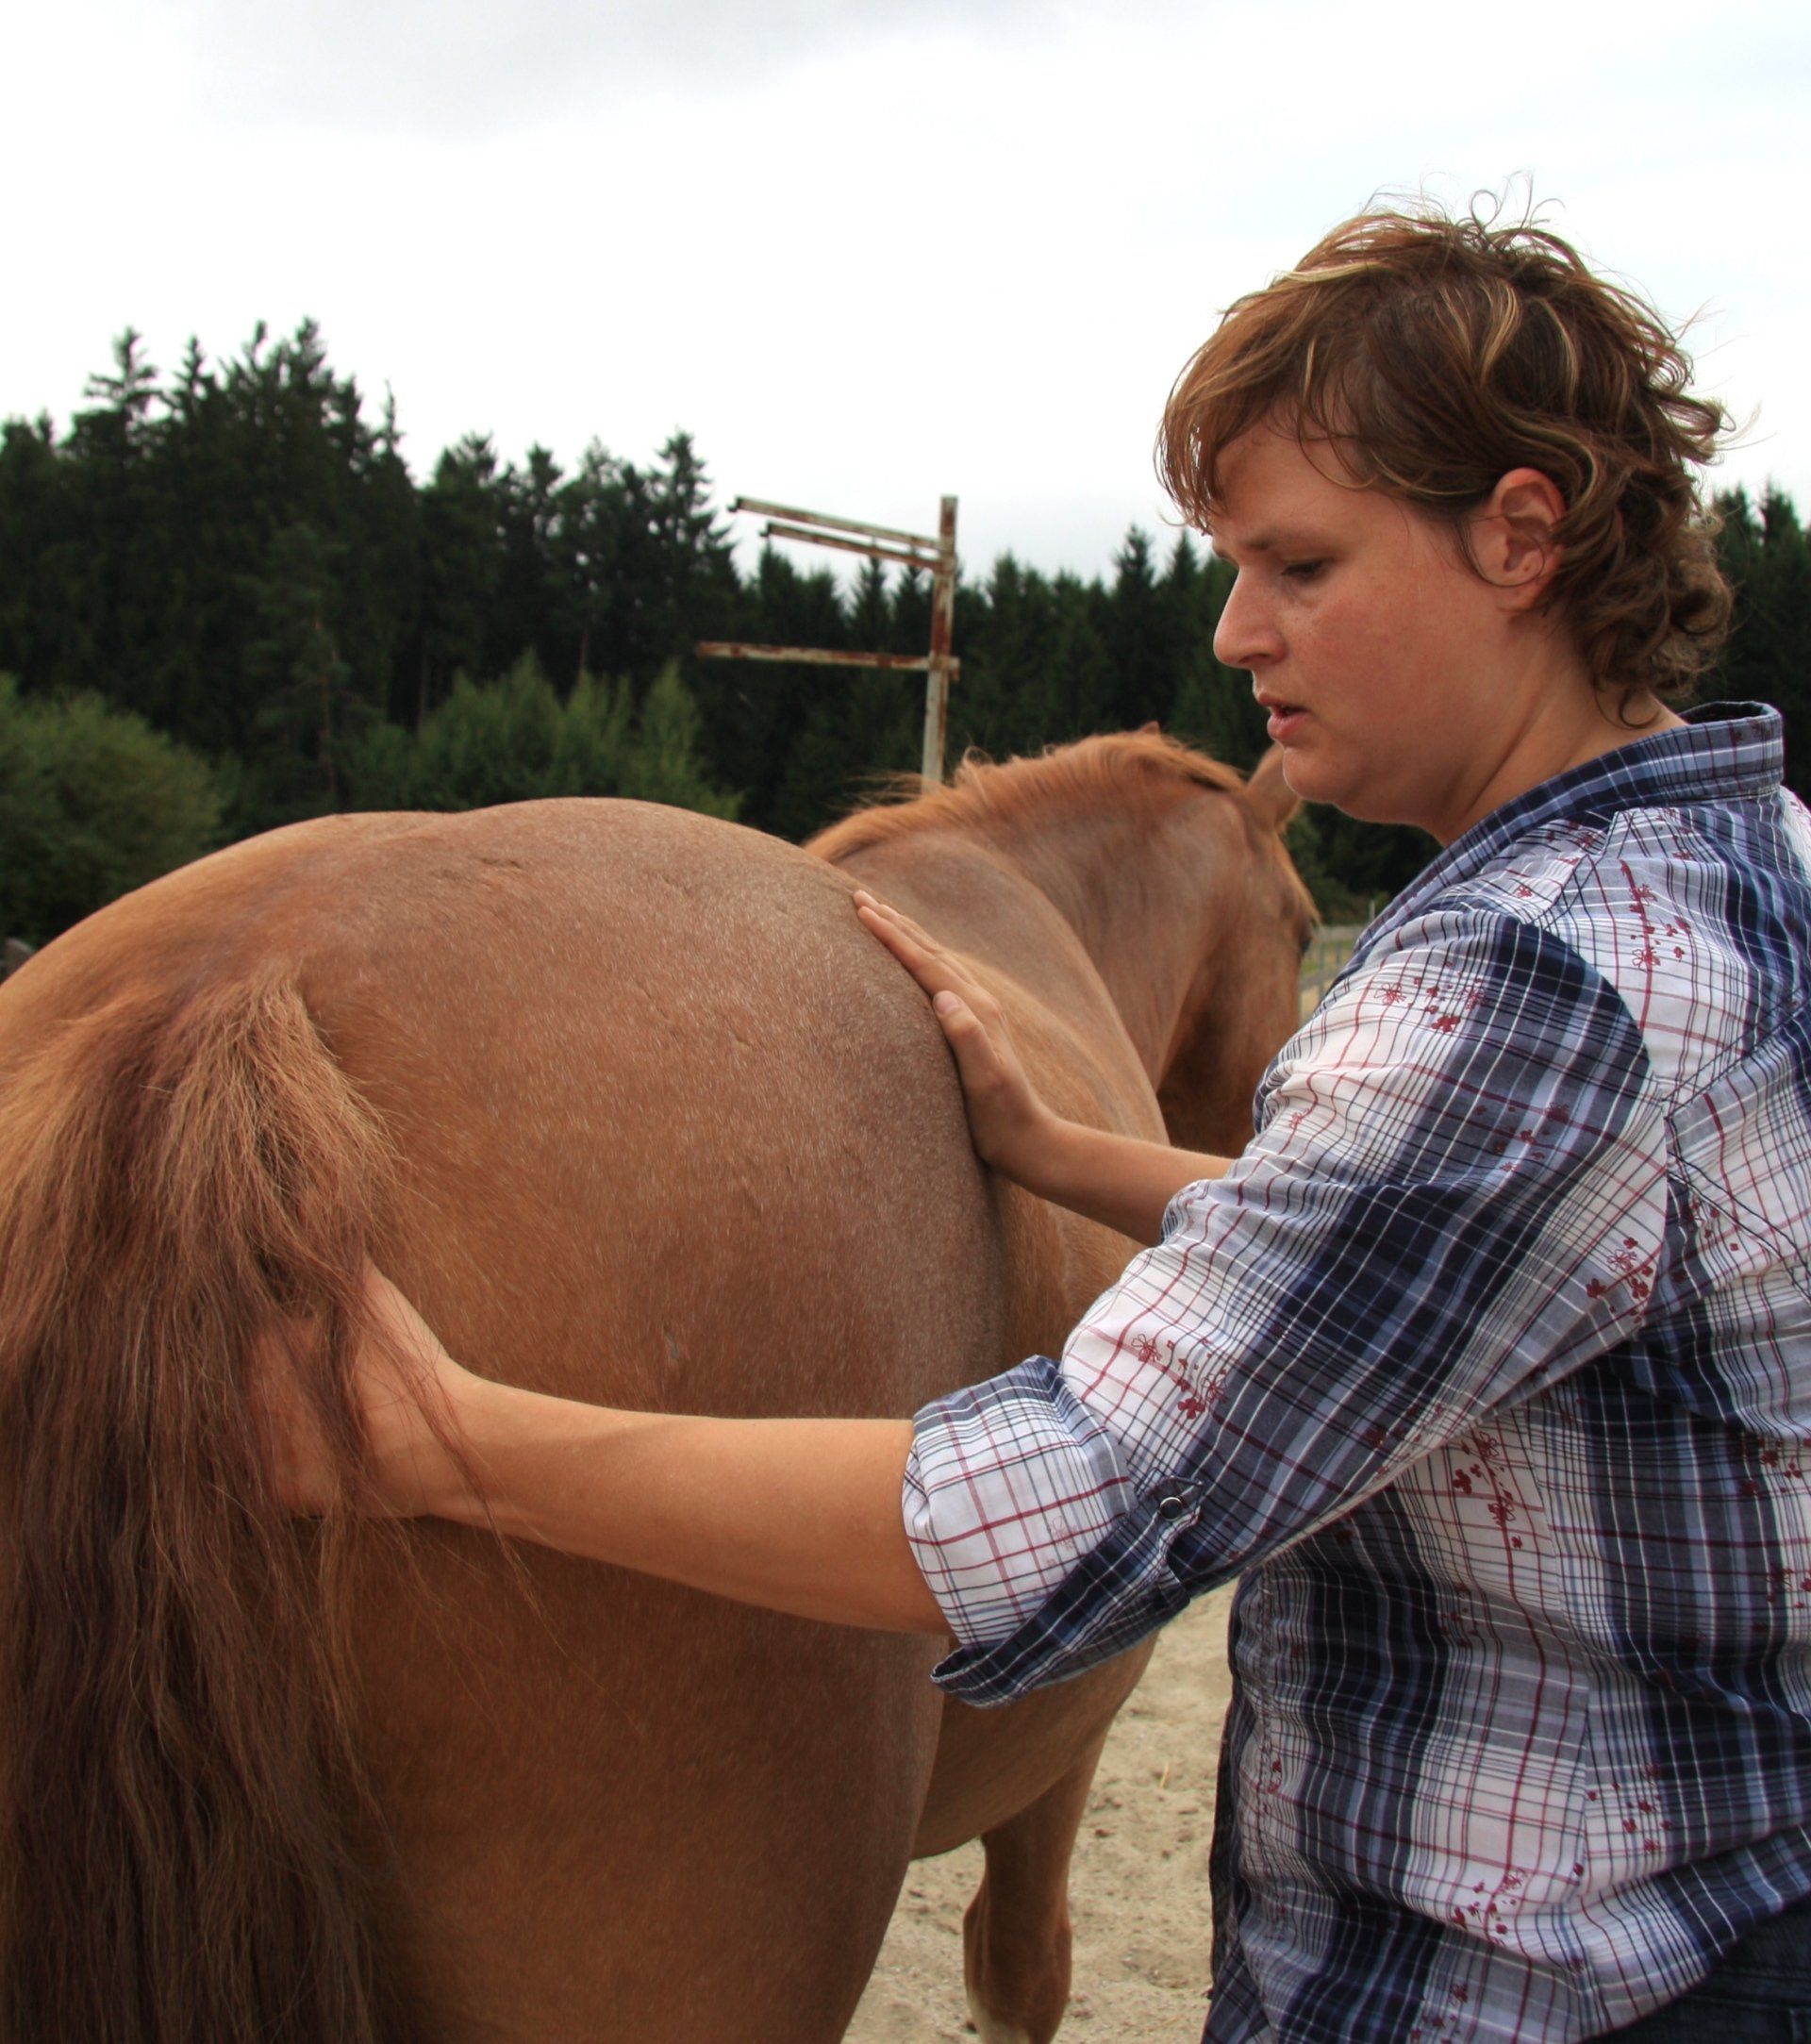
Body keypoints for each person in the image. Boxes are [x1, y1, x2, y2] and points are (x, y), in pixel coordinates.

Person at [269, 202, 1811, 2041]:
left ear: (1521, 533)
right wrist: (1077, 1155)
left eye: (1298, 564)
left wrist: (447, 1441)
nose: (1238, 631)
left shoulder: (1524, 995)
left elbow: (1059, 1505)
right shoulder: (1739, 866)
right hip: (1722, 1901)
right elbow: (1518, 1258)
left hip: (1521, 1990)